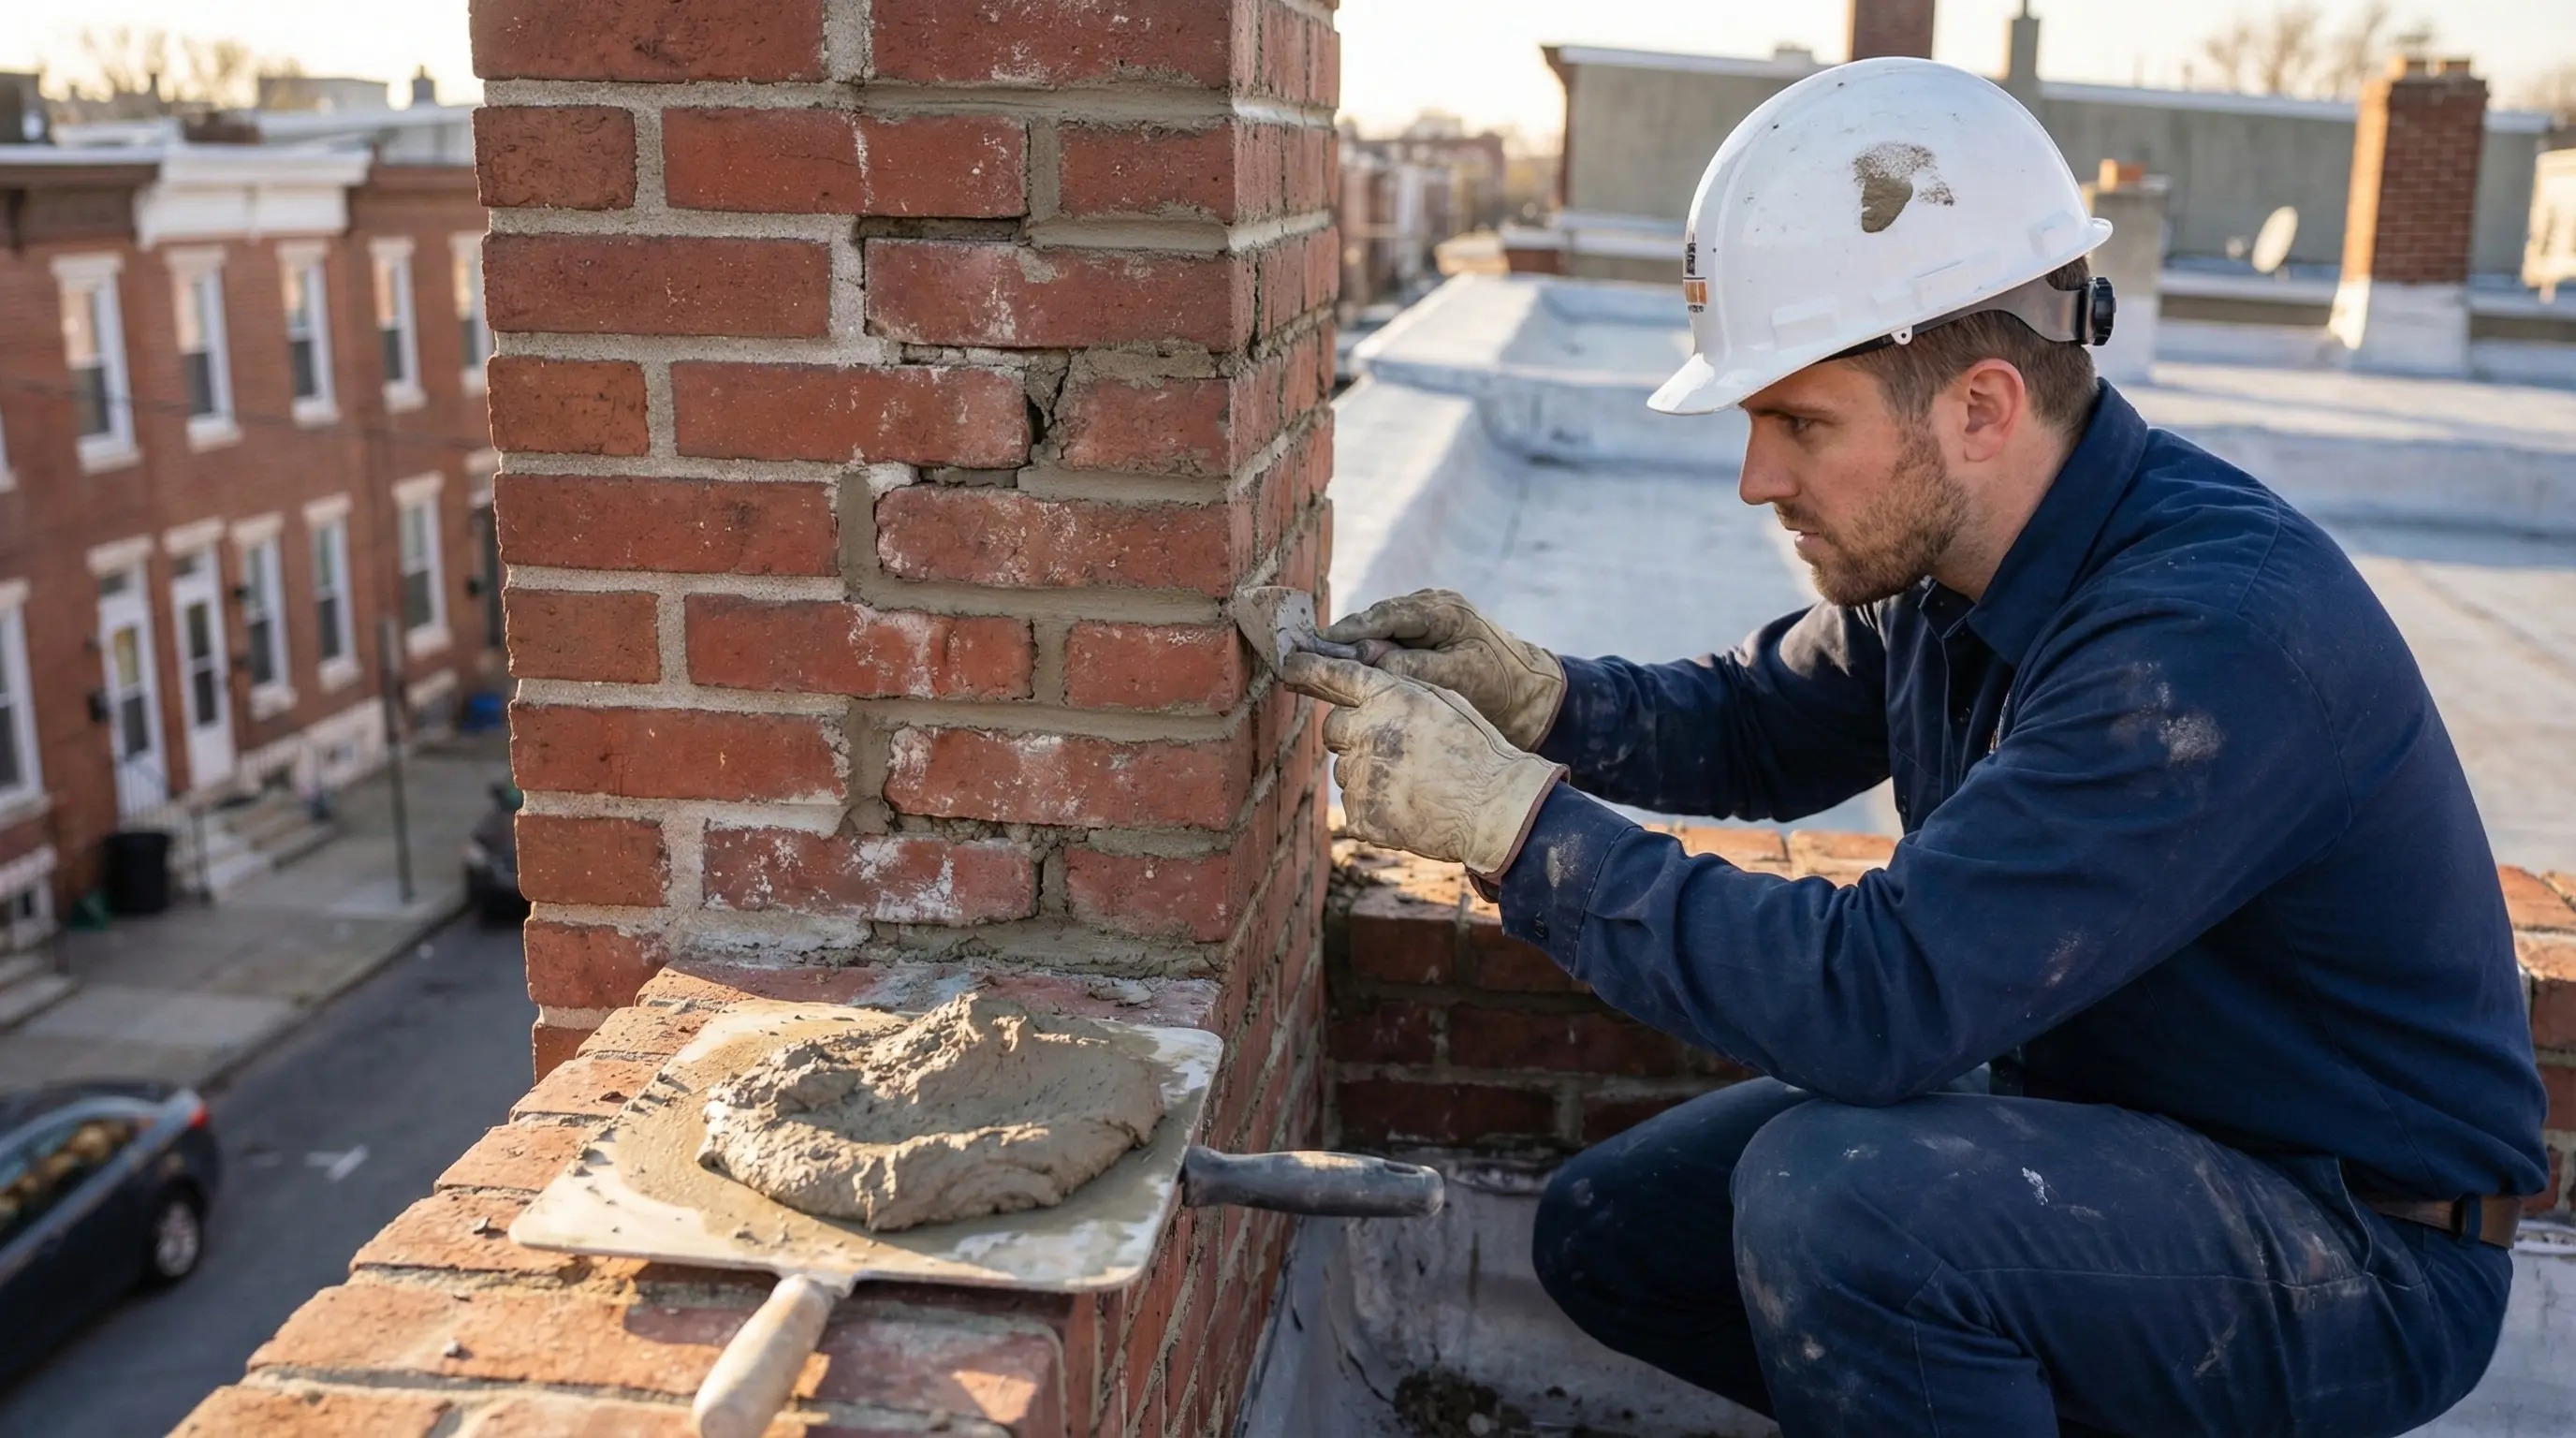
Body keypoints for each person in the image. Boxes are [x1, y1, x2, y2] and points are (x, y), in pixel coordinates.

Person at [1281, 58, 2547, 1437]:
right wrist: (1540, 702)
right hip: (2132, 1134)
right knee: (1616, 1235)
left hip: (2354, 1242)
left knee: (1846, 1210)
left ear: (1981, 409)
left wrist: (1518, 832)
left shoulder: (2206, 641)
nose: (1757, 477)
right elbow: (1762, 720)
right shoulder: (1961, 561)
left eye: (1800, 422)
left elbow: (1879, 1003)